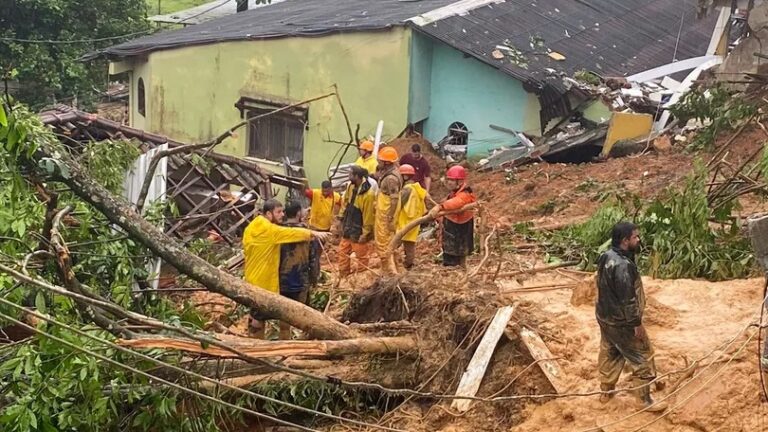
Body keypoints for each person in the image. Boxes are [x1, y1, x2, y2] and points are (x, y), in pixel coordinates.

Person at [595, 222, 667, 412]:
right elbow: (628, 299)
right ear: (625, 240)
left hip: (605, 316)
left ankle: (606, 391)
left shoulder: (605, 256)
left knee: (610, 351)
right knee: (641, 355)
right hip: (623, 321)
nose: (638, 240)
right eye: (635, 237)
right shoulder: (623, 266)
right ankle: (644, 400)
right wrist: (636, 324)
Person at [243, 199, 330, 339]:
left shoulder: (252, 227)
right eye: (278, 212)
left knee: (257, 315)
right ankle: (258, 350)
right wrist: (313, 234)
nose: (282, 215)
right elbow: (290, 234)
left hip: (255, 279)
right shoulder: (269, 230)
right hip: (264, 282)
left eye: (283, 211)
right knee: (264, 318)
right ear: (268, 213)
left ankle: (258, 349)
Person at [277, 202, 319, 340]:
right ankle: (303, 345)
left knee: (284, 316)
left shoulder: (277, 231)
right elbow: (313, 258)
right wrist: (314, 278)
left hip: (280, 280)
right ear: (298, 214)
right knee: (304, 315)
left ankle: (284, 345)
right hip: (301, 279)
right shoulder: (307, 233)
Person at [428, 165, 476, 267]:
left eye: (452, 180)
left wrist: (440, 207)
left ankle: (458, 270)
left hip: (460, 228)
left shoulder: (465, 194)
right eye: (448, 179)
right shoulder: (454, 193)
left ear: (459, 182)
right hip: (452, 226)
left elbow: (456, 202)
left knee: (458, 253)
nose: (448, 182)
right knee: (451, 254)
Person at [337, 166, 375, 277]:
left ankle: (361, 277)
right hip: (348, 224)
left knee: (361, 255)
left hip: (359, 227)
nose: (348, 177)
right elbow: (346, 203)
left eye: (350, 174)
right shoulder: (350, 186)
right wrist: (340, 218)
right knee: (343, 252)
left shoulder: (368, 194)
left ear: (357, 176)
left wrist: (365, 233)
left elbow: (368, 215)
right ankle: (343, 275)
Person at [374, 146, 403, 274]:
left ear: (386, 162)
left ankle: (388, 270)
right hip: (384, 206)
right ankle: (394, 265)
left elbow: (394, 198)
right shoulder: (388, 172)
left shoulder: (391, 178)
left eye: (381, 160)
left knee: (384, 239)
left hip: (387, 209)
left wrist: (390, 216)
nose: (378, 162)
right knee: (388, 237)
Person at [396, 164, 427, 269]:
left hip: (405, 221)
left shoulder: (407, 190)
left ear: (405, 177)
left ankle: (393, 262)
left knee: (395, 242)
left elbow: (398, 205)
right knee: (410, 244)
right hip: (414, 220)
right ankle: (409, 263)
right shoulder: (417, 188)